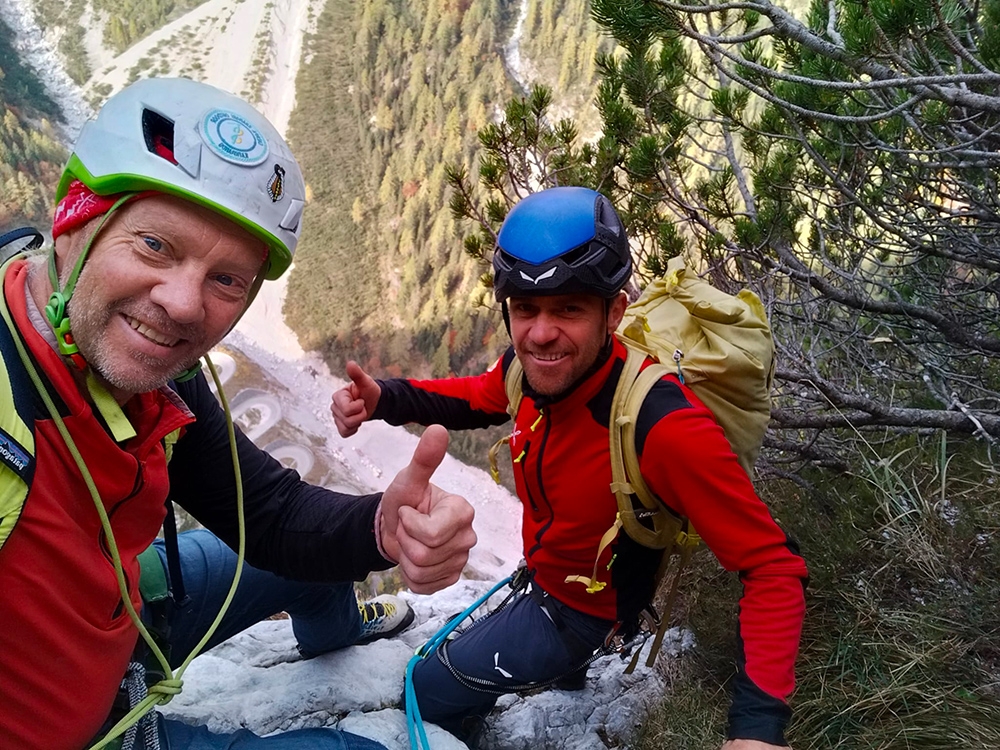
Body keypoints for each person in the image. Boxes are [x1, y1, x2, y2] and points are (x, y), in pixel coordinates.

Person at [0, 77, 477, 750]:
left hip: (118, 614)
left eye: (226, 279)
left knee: (303, 563)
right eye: (155, 245)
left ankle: (342, 637)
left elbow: (270, 516)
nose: (184, 304)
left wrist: (384, 528)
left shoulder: (150, 368)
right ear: (76, 216)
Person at [331, 187, 809, 749]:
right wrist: (384, 398)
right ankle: (563, 670)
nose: (539, 333)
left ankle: (542, 676)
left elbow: (773, 568)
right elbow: (471, 398)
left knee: (424, 688)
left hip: (581, 611)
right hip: (548, 573)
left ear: (615, 312)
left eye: (569, 309)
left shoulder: (664, 428)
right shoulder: (529, 372)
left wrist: (756, 730)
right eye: (525, 309)